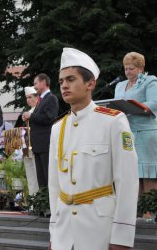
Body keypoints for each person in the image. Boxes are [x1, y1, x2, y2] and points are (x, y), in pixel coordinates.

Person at [48, 47, 138, 250]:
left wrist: (122, 236)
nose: (64, 86)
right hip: (64, 233)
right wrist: (54, 233)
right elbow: (55, 186)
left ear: (90, 83)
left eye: (71, 79)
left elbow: (127, 181)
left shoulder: (113, 121)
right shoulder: (57, 129)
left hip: (98, 231)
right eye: (61, 81)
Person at [114, 52, 157, 193]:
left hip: (146, 134)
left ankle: (150, 213)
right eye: (126, 68)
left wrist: (134, 106)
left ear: (140, 68)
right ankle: (135, 212)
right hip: (126, 133)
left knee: (148, 174)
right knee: (132, 174)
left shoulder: (150, 81)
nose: (127, 72)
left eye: (131, 68)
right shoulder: (120, 85)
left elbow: (154, 103)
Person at [22, 73, 59, 188]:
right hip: (38, 144)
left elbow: (50, 118)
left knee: (47, 177)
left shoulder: (51, 98)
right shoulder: (41, 99)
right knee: (41, 179)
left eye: (35, 83)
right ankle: (43, 202)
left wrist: (31, 116)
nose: (34, 86)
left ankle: (49, 203)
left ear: (43, 82)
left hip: (45, 143)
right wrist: (28, 118)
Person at [22, 86, 39, 196]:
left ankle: (40, 199)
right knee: (30, 175)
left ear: (37, 97)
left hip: (36, 145)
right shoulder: (27, 112)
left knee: (38, 174)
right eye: (27, 97)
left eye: (30, 97)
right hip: (27, 146)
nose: (28, 99)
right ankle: (33, 199)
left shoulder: (38, 110)